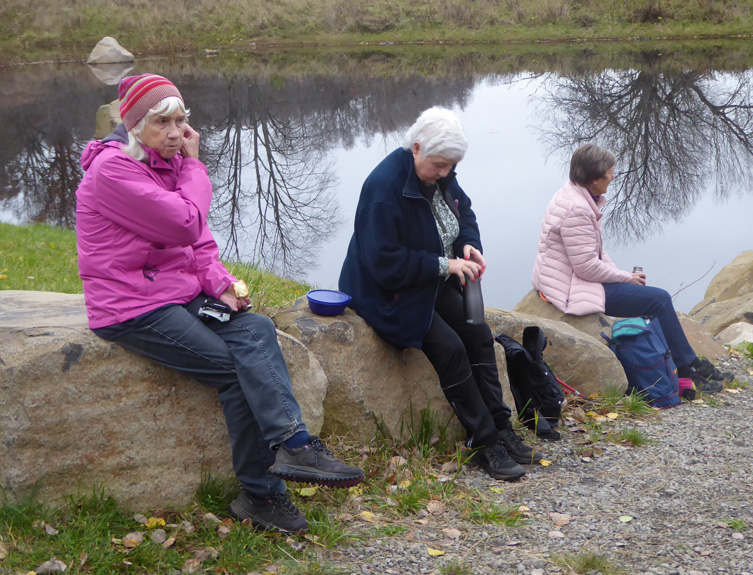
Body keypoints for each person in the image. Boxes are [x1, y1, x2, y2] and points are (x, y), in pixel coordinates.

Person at [75, 73, 364, 534]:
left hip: (174, 292)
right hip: (129, 306)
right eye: (162, 122)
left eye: (181, 121)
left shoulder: (163, 162)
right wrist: (194, 166)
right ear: (134, 125)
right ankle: (261, 495)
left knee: (257, 330)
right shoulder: (113, 171)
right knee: (234, 370)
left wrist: (219, 282)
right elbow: (185, 222)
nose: (176, 133)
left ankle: (296, 445)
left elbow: (199, 242)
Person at [339, 106, 543, 482]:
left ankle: (501, 428)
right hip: (387, 291)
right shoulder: (384, 188)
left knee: (479, 334)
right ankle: (484, 442)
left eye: (451, 166)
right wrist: (444, 265)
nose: (446, 174)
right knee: (450, 347)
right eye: (440, 165)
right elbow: (383, 262)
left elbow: (465, 215)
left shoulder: (440, 174)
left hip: (427, 282)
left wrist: (467, 245)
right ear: (416, 147)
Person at [531, 143, 733, 393]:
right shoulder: (578, 209)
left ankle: (686, 364)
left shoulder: (575, 195)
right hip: (571, 287)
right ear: (594, 179)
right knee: (658, 300)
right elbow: (586, 267)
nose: (613, 177)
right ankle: (687, 368)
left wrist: (620, 275)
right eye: (609, 173)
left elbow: (594, 250)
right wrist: (626, 278)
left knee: (650, 298)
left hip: (568, 277)